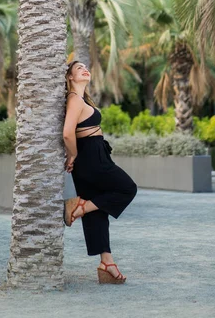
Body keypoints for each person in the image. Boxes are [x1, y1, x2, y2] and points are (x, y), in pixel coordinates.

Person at [63, 60, 137, 285]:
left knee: (99, 212)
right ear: (70, 78)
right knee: (127, 188)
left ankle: (107, 263)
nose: (85, 69)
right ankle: (81, 206)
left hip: (95, 155)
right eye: (78, 68)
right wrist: (73, 155)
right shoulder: (74, 99)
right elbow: (68, 133)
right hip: (90, 158)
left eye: (86, 67)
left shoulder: (82, 100)